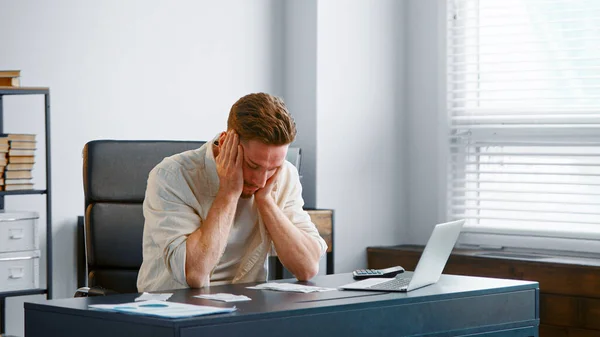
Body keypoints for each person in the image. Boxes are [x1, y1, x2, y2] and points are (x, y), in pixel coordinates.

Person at [137, 93, 327, 292]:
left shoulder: (285, 175)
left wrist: (266, 201)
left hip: (247, 309)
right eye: (252, 165)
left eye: (272, 168)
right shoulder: (171, 176)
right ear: (226, 142)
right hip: (172, 310)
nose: (261, 180)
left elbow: (307, 268)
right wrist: (228, 194)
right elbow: (194, 274)